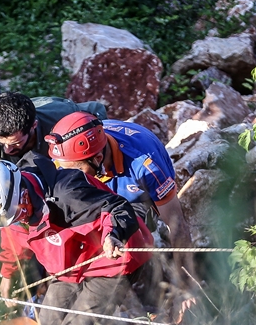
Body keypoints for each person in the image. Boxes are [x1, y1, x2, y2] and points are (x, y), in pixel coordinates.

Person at [0, 156, 154, 325]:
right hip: (69, 266)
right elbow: (15, 240)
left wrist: (114, 234)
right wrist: (7, 274)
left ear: (22, 192)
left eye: (15, 213)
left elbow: (118, 208)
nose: (16, 219)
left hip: (112, 261)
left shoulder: (68, 193)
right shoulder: (11, 212)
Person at [0, 92, 106, 278]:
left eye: (14, 143)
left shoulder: (61, 117)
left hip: (54, 182)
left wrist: (97, 163)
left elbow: (96, 114)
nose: (7, 149)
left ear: (34, 126)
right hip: (5, 184)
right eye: (1, 143)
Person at [46, 112, 196, 280]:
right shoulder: (66, 160)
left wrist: (186, 285)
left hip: (136, 197)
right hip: (103, 185)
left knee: (127, 241)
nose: (69, 176)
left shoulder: (147, 169)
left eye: (76, 171)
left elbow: (177, 225)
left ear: (97, 159)